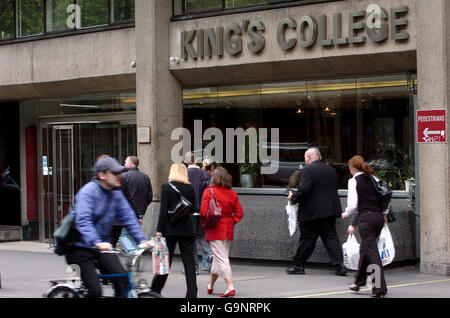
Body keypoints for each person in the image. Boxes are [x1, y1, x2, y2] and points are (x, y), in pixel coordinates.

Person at [65, 157, 153, 298]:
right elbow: (83, 221)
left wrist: (142, 240)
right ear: (102, 175)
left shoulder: (116, 194)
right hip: (79, 246)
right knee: (95, 290)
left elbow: (128, 217)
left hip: (102, 246)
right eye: (115, 173)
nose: (120, 176)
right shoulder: (88, 192)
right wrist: (97, 242)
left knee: (123, 279)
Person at [286, 147, 347, 276]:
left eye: (305, 159)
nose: (305, 161)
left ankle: (298, 265)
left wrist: (294, 197)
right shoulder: (330, 169)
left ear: (308, 158)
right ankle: (340, 265)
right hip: (330, 210)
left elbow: (304, 189)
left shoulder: (308, 170)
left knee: (307, 240)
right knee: (331, 237)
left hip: (312, 212)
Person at [341, 155, 388, 297]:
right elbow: (386, 195)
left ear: (352, 167)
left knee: (372, 253)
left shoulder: (354, 181)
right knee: (365, 250)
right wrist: (384, 214)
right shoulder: (374, 177)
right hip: (378, 217)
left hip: (366, 218)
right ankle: (359, 282)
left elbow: (353, 204)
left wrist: (346, 213)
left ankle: (379, 287)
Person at [150, 163, 198, 298]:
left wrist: (159, 229)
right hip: (187, 229)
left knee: (165, 261)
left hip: (170, 229)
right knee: (189, 263)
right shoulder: (190, 188)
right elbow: (194, 209)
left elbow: (163, 211)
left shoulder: (166, 187)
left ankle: (155, 290)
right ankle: (192, 294)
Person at [200, 167, 243, 297]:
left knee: (222, 258)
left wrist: (205, 224)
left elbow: (203, 211)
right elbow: (239, 213)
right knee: (218, 258)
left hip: (215, 228)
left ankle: (230, 286)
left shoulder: (209, 191)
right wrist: (231, 221)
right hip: (227, 228)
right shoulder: (232, 193)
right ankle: (211, 284)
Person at [184, 152, 213, 274]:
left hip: (187, 211)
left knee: (190, 240)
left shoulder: (184, 174)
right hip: (202, 211)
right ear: (195, 160)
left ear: (185, 162)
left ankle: (193, 267)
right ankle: (210, 255)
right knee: (202, 236)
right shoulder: (204, 174)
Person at [118, 155, 153, 255]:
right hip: (140, 211)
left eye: (125, 162)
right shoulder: (145, 177)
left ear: (130, 164)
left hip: (126, 211)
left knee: (123, 234)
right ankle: (136, 252)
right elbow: (149, 196)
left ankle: (133, 252)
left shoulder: (124, 177)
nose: (124, 164)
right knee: (133, 233)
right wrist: (143, 208)